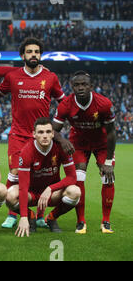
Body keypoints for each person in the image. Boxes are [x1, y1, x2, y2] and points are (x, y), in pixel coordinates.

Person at [0, 37, 65, 229]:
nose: (33, 55)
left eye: (36, 52)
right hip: (18, 135)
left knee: (40, 174)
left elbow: (64, 102)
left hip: (40, 136)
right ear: (22, 55)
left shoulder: (50, 78)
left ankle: (39, 215)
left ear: (40, 55)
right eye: (29, 52)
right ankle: (13, 214)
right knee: (16, 172)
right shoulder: (13, 76)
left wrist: (57, 127)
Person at [52, 71, 116, 234]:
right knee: (78, 179)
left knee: (107, 177)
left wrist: (108, 162)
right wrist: (63, 140)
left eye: (84, 84)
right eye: (77, 85)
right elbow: (53, 130)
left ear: (91, 87)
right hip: (78, 144)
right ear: (72, 87)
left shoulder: (103, 103)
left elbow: (111, 133)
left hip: (102, 144)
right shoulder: (65, 105)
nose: (80, 87)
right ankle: (81, 221)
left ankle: (106, 221)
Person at [7, 117, 80, 237]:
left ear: (52, 134)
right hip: (31, 194)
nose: (44, 136)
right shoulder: (26, 152)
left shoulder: (61, 148)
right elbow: (23, 187)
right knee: (9, 196)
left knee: (75, 191)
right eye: (40, 132)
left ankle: (51, 218)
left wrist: (50, 188)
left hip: (52, 194)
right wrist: (23, 217)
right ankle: (31, 217)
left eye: (47, 132)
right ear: (34, 134)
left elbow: (72, 178)